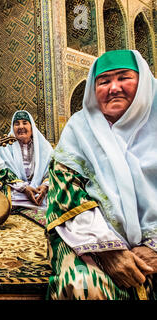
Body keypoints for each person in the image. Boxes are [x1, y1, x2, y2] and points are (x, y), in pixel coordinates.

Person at [46, 50, 157, 300]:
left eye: (123, 78)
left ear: (143, 82)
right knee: (85, 286)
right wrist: (110, 251)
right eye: (104, 81)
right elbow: (66, 194)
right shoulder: (80, 130)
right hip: (87, 237)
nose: (113, 88)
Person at [0, 110, 53, 210]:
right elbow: (3, 172)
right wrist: (24, 188)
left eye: (25, 123)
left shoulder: (45, 147)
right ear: (12, 128)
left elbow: (52, 169)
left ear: (32, 127)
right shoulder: (5, 148)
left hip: (40, 190)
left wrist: (45, 186)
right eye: (17, 124)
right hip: (17, 191)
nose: (21, 127)